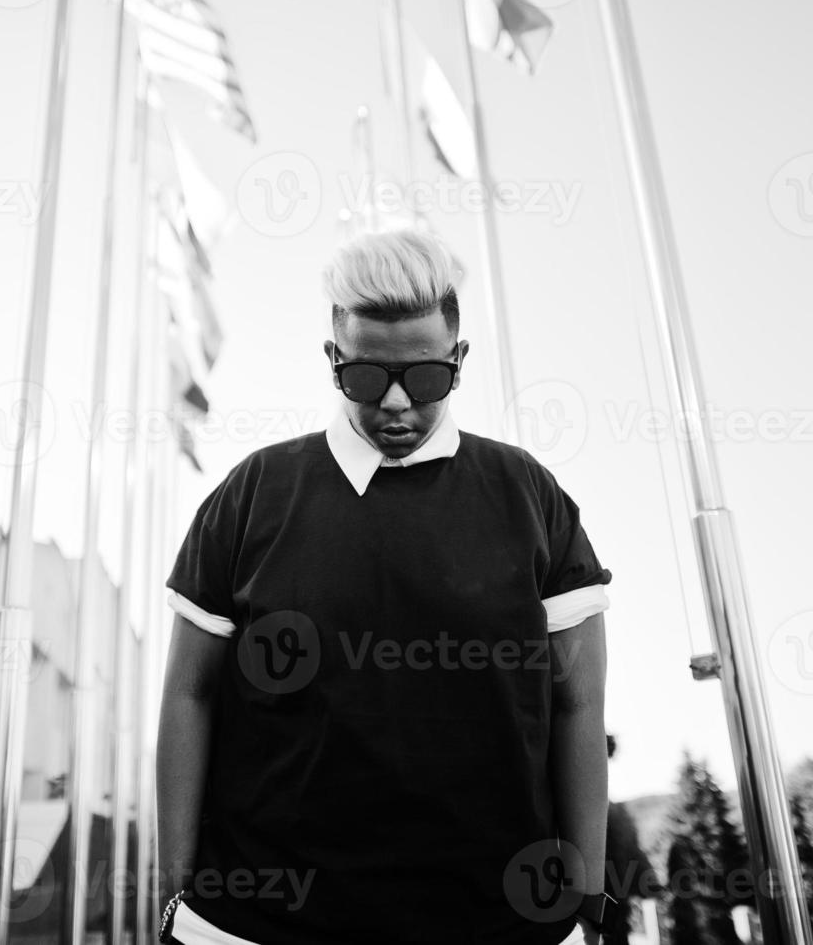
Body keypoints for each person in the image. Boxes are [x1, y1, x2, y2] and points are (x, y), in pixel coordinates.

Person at [156, 228, 615, 944]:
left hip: (497, 923)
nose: (396, 404)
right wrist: (177, 884)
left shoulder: (528, 495)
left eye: (425, 379)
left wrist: (587, 897)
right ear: (333, 360)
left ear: (458, 361)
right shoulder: (252, 493)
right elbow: (191, 692)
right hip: (259, 924)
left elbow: (577, 701)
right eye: (367, 379)